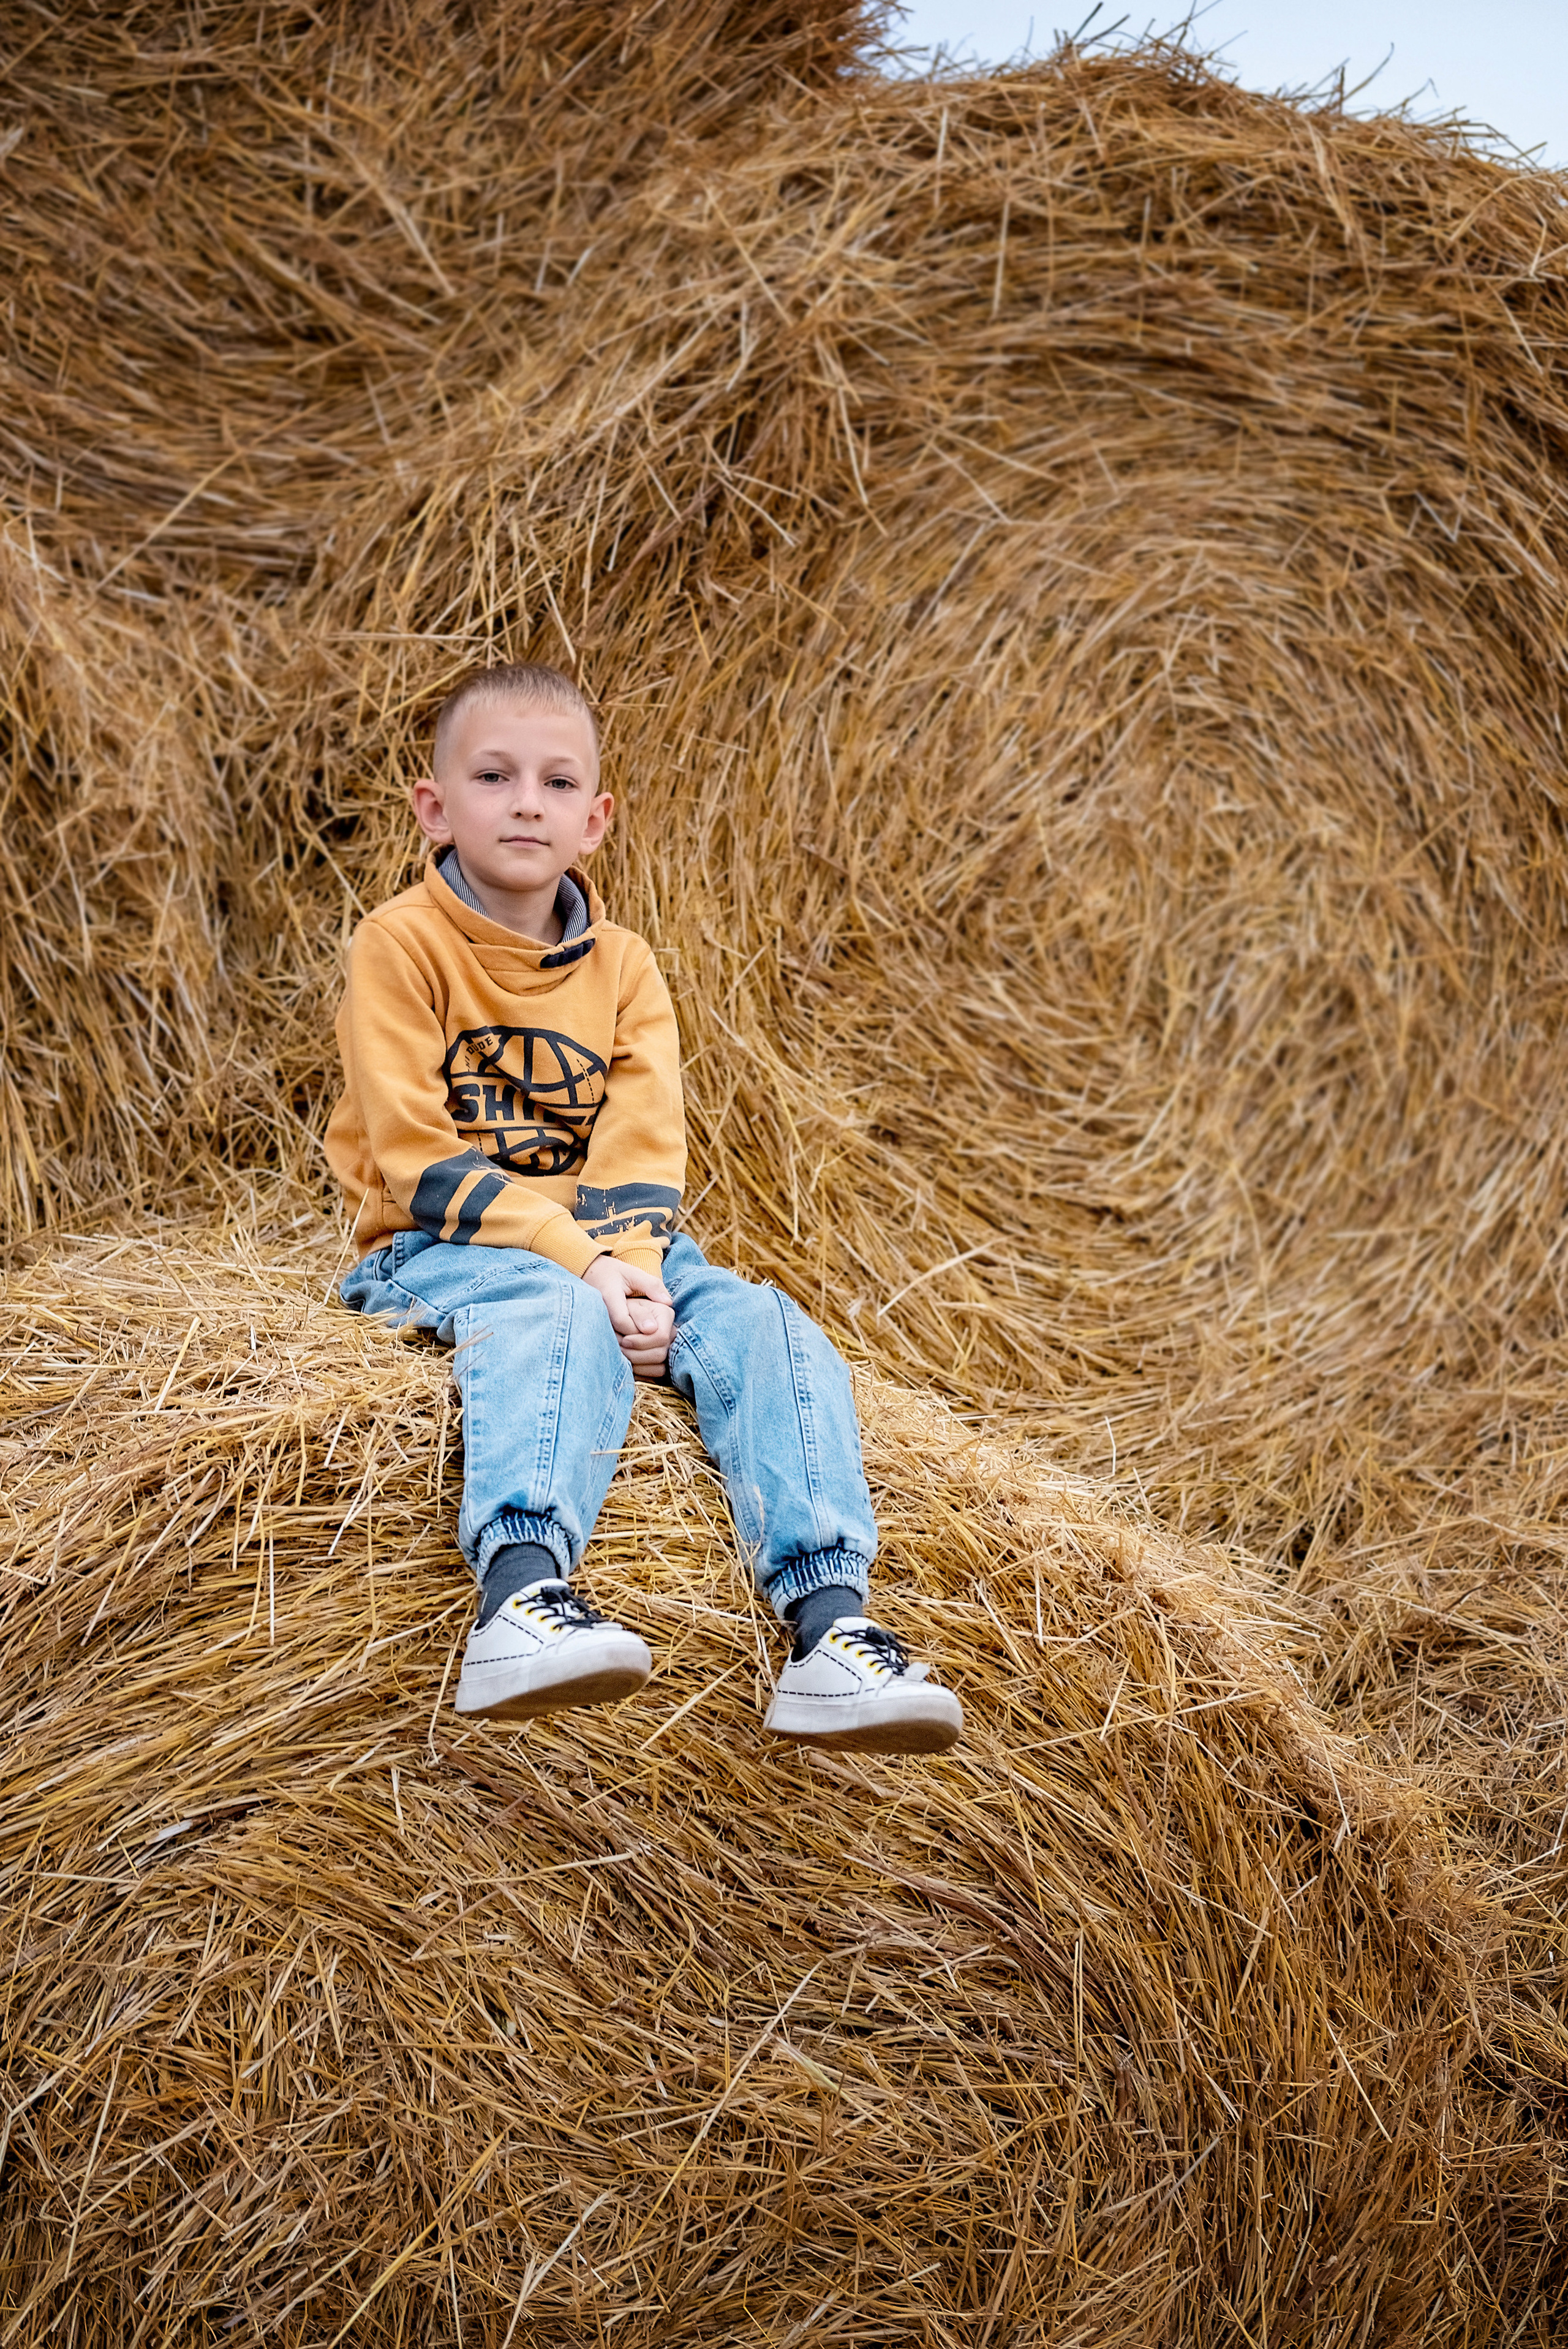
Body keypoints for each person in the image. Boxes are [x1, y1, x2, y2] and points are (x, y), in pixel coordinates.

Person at [326, 661, 962, 1753]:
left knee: (766, 1323)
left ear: (596, 820)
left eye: (559, 782)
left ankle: (829, 1625)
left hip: (621, 1248)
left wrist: (635, 1265)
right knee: (552, 1317)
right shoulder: (399, 944)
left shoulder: (624, 968)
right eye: (494, 775)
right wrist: (583, 1270)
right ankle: (520, 1594)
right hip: (441, 1240)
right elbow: (415, 1153)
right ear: (435, 807)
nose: (528, 801)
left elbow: (641, 1143)